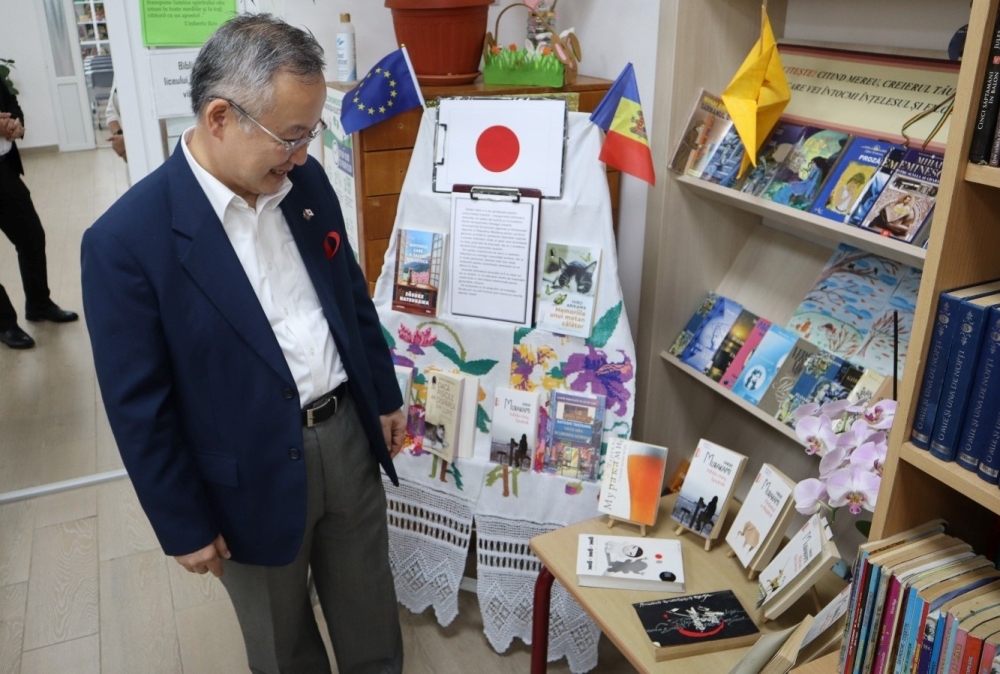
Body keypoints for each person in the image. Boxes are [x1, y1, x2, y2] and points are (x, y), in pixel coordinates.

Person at [81, 15, 405, 674]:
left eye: (310, 134)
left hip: (346, 436)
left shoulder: (304, 186)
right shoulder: (126, 243)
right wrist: (182, 521)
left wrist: (382, 394)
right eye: (291, 136)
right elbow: (138, 406)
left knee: (372, 616)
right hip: (245, 475)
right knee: (282, 644)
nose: (302, 156)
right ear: (220, 117)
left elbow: (349, 298)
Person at [0, 77, 78, 349]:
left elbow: (11, 103)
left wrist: (16, 124)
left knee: (32, 236)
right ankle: (4, 323)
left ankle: (39, 304)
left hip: (4, 169)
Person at [105, 78, 126, 162]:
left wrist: (127, 141)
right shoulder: (119, 72)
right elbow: (110, 112)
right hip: (129, 151)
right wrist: (118, 136)